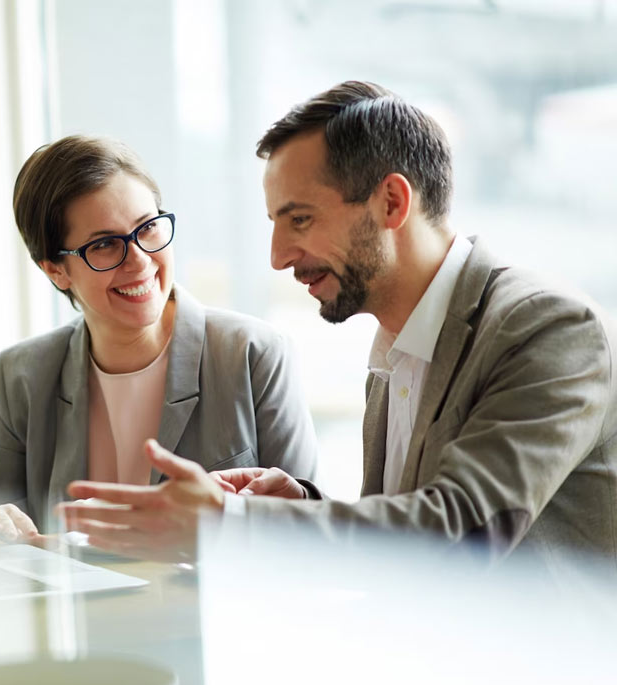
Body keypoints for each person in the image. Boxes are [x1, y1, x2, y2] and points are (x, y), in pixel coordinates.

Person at [62, 81, 617, 573]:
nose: (278, 256)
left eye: (300, 219)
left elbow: (464, 533)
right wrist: (301, 508)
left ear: (393, 202)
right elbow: (404, 540)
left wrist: (233, 524)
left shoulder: (548, 326)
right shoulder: (397, 348)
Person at [0, 135, 320, 545]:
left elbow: (309, 531)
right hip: (76, 608)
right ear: (56, 270)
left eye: (147, 228)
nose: (140, 261)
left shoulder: (252, 354)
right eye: (105, 244)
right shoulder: (23, 373)